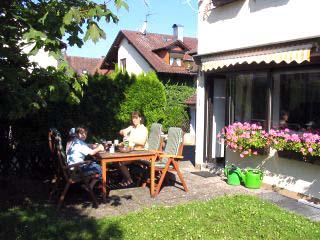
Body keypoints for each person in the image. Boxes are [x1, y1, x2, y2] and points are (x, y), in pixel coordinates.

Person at [118, 111, 148, 187]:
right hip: (131, 151)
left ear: (140, 118)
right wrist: (123, 132)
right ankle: (126, 180)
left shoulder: (143, 129)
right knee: (118, 159)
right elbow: (121, 131)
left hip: (141, 152)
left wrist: (130, 139)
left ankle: (129, 180)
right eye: (133, 118)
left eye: (136, 118)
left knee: (121, 162)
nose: (134, 120)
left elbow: (142, 142)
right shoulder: (132, 127)